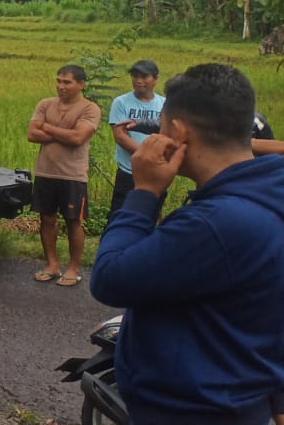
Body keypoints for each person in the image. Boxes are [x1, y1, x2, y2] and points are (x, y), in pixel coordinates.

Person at [90, 64, 284, 425]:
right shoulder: (269, 191)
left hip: (194, 410)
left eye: (162, 125)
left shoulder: (215, 223)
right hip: (240, 399)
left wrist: (145, 191)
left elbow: (110, 277)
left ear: (177, 131)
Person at [27, 64, 100, 288]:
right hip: (45, 171)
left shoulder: (90, 109)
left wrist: (48, 128)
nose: (61, 86)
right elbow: (31, 134)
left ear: (81, 84)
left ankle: (74, 268)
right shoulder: (45, 104)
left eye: (67, 82)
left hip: (73, 175)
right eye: (59, 81)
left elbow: (78, 138)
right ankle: (52, 265)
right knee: (47, 219)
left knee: (73, 221)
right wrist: (63, 133)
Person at [107, 59, 166, 216]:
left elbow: (167, 134)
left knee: (151, 213)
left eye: (144, 77)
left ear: (155, 79)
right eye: (135, 76)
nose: (138, 81)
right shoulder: (121, 102)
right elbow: (120, 135)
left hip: (156, 171)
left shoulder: (164, 104)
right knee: (120, 213)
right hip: (128, 170)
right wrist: (146, 156)